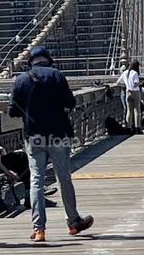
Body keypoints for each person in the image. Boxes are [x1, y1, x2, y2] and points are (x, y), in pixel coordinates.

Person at [10, 45, 94, 244]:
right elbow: (70, 103)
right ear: (47, 59)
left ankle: (39, 229)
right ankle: (73, 222)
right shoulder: (57, 76)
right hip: (58, 135)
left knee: (36, 182)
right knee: (63, 178)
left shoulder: (21, 79)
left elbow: (13, 110)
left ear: (30, 61)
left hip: (34, 137)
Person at [118, 60, 143, 132]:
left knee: (129, 110)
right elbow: (135, 84)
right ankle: (137, 127)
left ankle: (128, 128)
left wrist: (126, 86)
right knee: (137, 110)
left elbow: (118, 83)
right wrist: (141, 82)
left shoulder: (125, 72)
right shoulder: (135, 73)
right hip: (135, 91)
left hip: (128, 92)